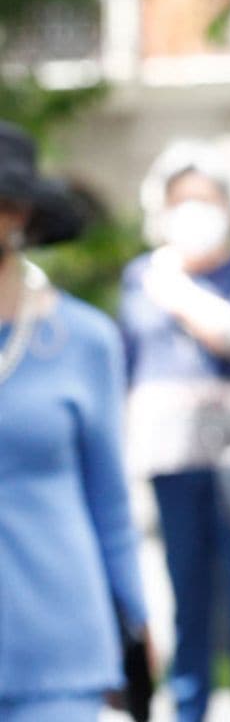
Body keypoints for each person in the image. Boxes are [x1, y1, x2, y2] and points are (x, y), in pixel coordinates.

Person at [118, 140, 230, 722]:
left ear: (227, 206)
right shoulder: (139, 277)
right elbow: (130, 369)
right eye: (182, 200)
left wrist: (179, 291)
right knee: (188, 610)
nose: (194, 210)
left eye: (206, 199)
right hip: (173, 464)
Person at [0, 120, 150, 721]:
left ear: (24, 217)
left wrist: (136, 624)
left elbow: (110, 500)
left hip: (56, 646)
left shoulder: (84, 339)